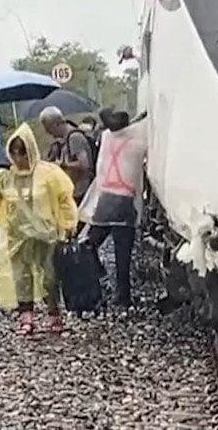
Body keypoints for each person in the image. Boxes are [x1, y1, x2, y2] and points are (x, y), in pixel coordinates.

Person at [0, 123, 79, 335]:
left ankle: (53, 312)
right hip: (16, 234)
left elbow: (64, 199)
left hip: (45, 233)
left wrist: (68, 223)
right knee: (21, 276)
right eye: (13, 153)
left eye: (22, 152)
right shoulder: (4, 177)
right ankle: (26, 317)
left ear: (30, 150)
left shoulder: (49, 174)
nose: (18, 157)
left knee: (49, 275)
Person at [79, 111, 146, 307]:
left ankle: (97, 278)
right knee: (122, 253)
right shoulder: (138, 140)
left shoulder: (106, 137)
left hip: (105, 199)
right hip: (125, 201)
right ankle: (122, 295)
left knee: (90, 242)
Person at [40, 106, 95, 205]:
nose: (47, 132)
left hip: (81, 191)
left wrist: (63, 165)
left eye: (48, 128)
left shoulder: (75, 138)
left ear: (56, 124)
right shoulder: (63, 140)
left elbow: (84, 164)